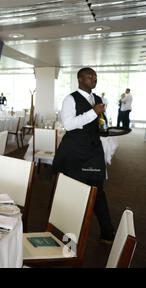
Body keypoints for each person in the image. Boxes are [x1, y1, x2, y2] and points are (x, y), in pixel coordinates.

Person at [53, 67, 115, 243]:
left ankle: (107, 231)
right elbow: (69, 124)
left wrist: (103, 125)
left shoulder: (97, 99)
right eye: (90, 77)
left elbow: (99, 120)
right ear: (80, 79)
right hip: (75, 151)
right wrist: (93, 112)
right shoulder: (70, 99)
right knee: (73, 191)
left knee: (97, 191)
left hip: (93, 151)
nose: (94, 79)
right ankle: (68, 234)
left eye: (95, 76)